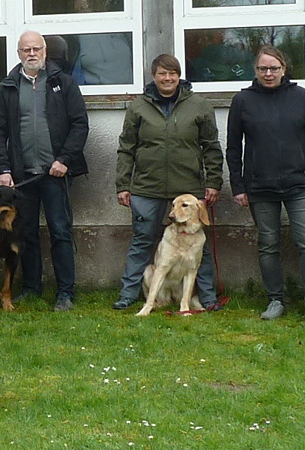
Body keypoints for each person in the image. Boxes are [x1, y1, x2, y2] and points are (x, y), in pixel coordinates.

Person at [225, 46, 305, 322]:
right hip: (259, 187)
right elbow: (232, 148)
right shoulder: (243, 101)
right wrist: (238, 186)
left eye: (274, 68)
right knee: (268, 244)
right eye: (263, 69)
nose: (269, 73)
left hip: (299, 184)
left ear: (284, 69)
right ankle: (275, 300)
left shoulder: (301, 98)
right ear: (256, 71)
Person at [0, 30, 90, 311]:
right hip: (22, 178)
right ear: (19, 54)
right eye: (26, 50)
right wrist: (3, 169)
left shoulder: (63, 83)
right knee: (27, 233)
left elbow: (80, 124)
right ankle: (32, 287)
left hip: (54, 174)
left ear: (45, 51)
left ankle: (65, 293)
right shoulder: (7, 87)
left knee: (60, 231)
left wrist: (65, 160)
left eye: (37, 49)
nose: (32, 54)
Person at [112, 54, 222, 311]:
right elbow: (126, 147)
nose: (167, 78)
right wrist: (123, 184)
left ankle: (207, 297)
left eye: (172, 74)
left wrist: (214, 181)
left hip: (188, 188)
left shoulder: (199, 106)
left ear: (179, 76)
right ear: (154, 76)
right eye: (162, 73)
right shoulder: (138, 107)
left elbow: (211, 147)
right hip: (147, 188)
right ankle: (128, 294)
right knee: (142, 240)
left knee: (198, 247)